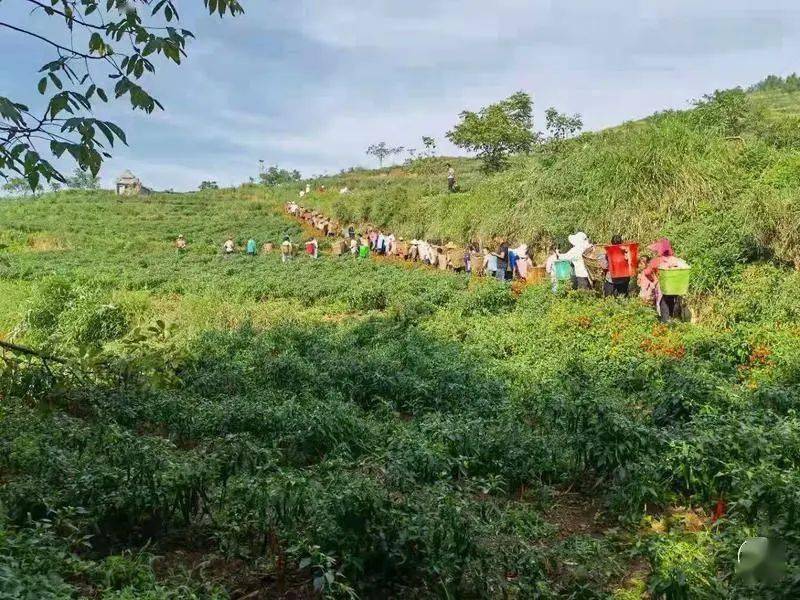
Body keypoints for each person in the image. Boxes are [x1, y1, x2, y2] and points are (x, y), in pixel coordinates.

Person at [641, 238, 688, 323]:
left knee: (663, 302)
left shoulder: (657, 260)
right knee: (673, 300)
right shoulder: (675, 259)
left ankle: (665, 322)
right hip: (675, 286)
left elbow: (647, 272)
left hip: (663, 286)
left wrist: (653, 278)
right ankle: (674, 320)